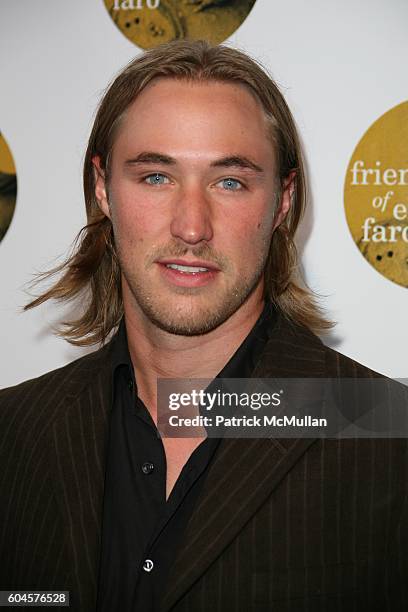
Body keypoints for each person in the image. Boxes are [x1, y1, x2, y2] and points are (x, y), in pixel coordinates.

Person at [0, 40, 407, 612]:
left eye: (230, 182)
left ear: (283, 201)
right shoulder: (13, 434)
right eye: (156, 177)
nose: (192, 227)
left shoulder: (388, 439)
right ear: (102, 188)